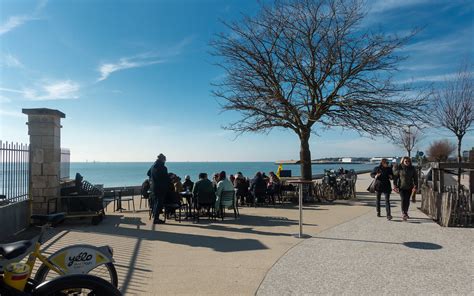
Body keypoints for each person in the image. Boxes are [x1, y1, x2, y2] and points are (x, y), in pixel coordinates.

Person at [147, 153, 171, 224]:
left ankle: (155, 216)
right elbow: (166, 178)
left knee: (155, 202)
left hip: (153, 187)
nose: (165, 161)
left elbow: (148, 173)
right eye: (165, 160)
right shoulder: (163, 168)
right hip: (161, 187)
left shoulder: (153, 166)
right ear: (163, 159)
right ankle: (156, 219)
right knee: (159, 203)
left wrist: (153, 178)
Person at [393, 157, 418, 221]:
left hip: (410, 187)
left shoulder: (412, 168)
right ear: (403, 162)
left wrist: (415, 185)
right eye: (405, 161)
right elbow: (395, 177)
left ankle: (406, 212)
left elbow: (415, 178)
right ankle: (403, 213)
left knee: (407, 200)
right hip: (401, 187)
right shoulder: (400, 168)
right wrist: (395, 185)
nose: (407, 162)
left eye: (408, 161)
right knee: (403, 199)